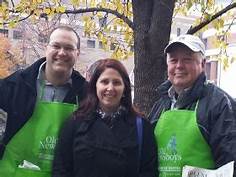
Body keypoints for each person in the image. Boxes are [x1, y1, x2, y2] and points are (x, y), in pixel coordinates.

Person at [0, 25, 87, 177]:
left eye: (69, 48)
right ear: (46, 49)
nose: (62, 52)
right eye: (56, 46)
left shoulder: (86, 93)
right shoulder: (17, 84)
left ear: (77, 53)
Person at [148, 34, 236, 176]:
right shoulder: (160, 106)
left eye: (187, 59)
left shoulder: (220, 104)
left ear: (202, 64)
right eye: (173, 60)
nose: (179, 66)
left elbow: (230, 164)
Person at [52, 58, 157, 177]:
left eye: (116, 82)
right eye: (104, 82)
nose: (110, 88)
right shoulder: (75, 123)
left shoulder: (142, 127)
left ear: (125, 89)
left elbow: (149, 171)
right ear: (95, 86)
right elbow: (61, 169)